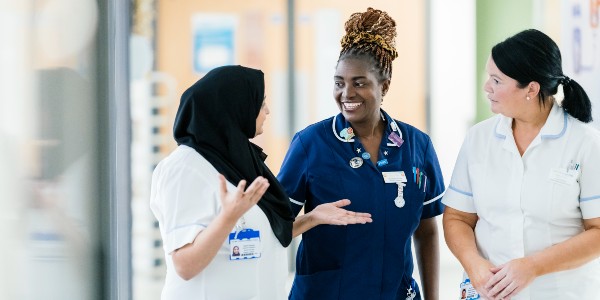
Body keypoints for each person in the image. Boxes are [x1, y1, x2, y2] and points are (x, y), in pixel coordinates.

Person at [150, 65, 372, 300]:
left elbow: (261, 233)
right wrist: (228, 218)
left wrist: (313, 217)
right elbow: (185, 265)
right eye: (260, 102)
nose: (267, 111)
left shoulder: (237, 161)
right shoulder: (185, 168)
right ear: (235, 106)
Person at [277, 7, 445, 300]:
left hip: (396, 293)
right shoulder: (310, 144)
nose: (346, 94)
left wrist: (433, 297)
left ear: (384, 86)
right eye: (339, 83)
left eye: (359, 83)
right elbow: (277, 228)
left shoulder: (417, 146)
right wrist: (313, 218)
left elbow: (427, 230)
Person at [442, 29, 600, 300]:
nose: (486, 87)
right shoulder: (479, 138)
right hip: (487, 292)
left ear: (531, 89)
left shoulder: (585, 143)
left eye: (496, 80)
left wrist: (533, 267)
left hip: (560, 293)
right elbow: (457, 217)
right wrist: (474, 265)